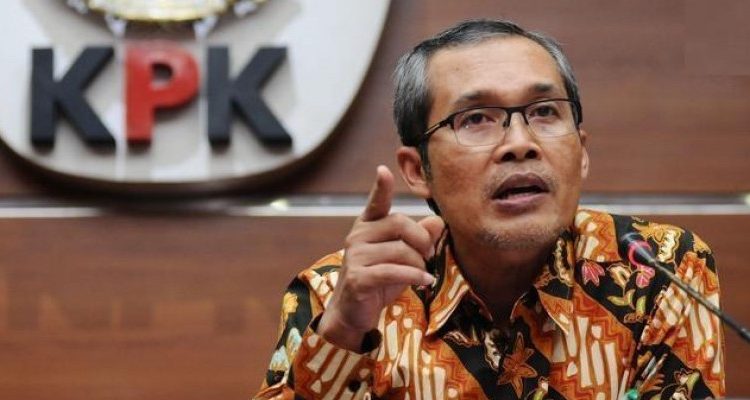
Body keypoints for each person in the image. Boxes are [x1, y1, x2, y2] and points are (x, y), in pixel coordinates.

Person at [254, 19, 724, 400]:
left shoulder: (657, 268)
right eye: (476, 118)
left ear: (581, 152)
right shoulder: (337, 294)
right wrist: (343, 333)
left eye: (544, 111)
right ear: (417, 170)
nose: (520, 143)